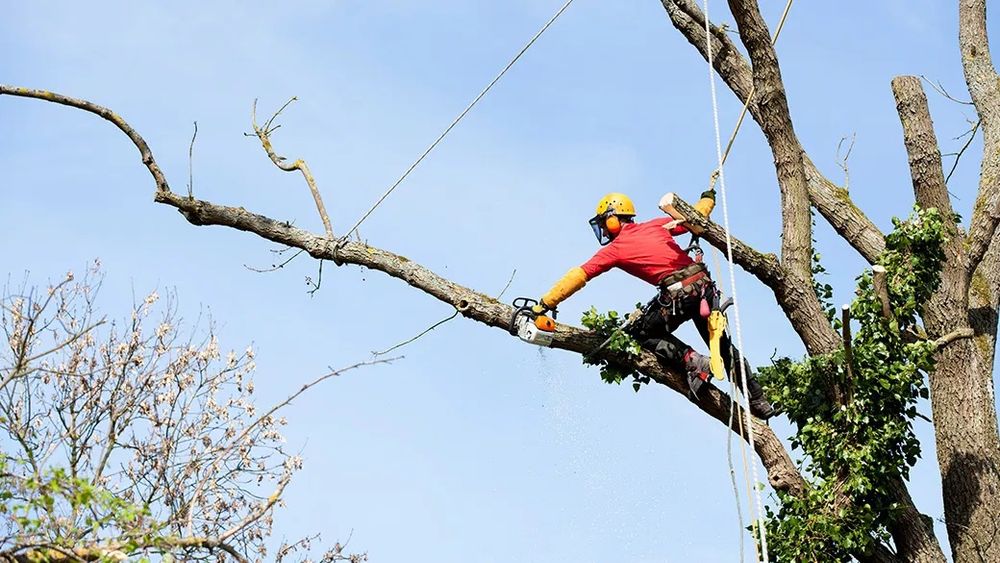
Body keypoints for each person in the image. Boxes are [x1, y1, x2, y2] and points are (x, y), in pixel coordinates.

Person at [533, 192, 776, 419]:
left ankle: (694, 361)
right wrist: (707, 199)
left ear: (612, 220)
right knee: (722, 347)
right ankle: (758, 400)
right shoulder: (656, 225)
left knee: (641, 333)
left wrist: (545, 303)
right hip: (704, 288)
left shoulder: (615, 249)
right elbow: (695, 215)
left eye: (604, 223)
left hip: (680, 294)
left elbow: (579, 275)